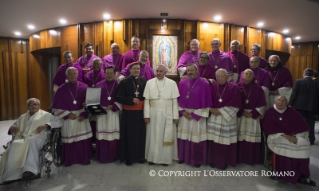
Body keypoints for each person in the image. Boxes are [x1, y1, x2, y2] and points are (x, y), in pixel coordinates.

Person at [0, 98, 62, 183]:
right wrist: (12, 127)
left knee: (32, 141)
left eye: (36, 104)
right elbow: (15, 124)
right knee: (15, 143)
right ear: (27, 107)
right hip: (25, 137)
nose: (34, 106)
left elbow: (59, 122)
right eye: (31, 105)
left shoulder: (47, 115)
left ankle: (32, 171)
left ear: (39, 106)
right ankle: (13, 174)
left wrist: (46, 125)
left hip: (41, 136)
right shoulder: (23, 117)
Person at [261, 96, 316, 186]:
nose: (281, 102)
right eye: (279, 100)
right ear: (275, 101)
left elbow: (302, 127)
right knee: (285, 145)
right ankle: (285, 175)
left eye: (283, 101)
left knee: (303, 143)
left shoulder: (292, 112)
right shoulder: (269, 113)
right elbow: (268, 128)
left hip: (294, 135)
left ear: (287, 103)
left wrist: (297, 137)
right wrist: (287, 136)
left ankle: (302, 174)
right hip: (277, 136)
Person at [52, 67, 93, 166]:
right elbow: (57, 106)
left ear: (78, 75)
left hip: (81, 117)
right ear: (66, 76)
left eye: (74, 74)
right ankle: (70, 160)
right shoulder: (61, 89)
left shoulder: (85, 87)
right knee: (69, 139)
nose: (72, 76)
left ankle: (83, 158)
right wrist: (67, 115)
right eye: (70, 74)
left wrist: (84, 114)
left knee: (82, 139)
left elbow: (90, 103)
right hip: (68, 117)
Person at [144, 64, 180, 165]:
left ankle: (165, 159)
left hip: (167, 113)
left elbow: (174, 101)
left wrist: (175, 116)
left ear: (165, 72)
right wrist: (146, 115)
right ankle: (152, 158)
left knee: (165, 135)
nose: (158, 73)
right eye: (157, 71)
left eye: (161, 71)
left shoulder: (172, 83)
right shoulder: (149, 83)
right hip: (153, 113)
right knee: (153, 135)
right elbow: (147, 101)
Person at [177, 64, 212, 168]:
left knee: (197, 139)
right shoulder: (182, 83)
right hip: (184, 115)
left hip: (197, 115)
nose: (190, 72)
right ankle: (182, 157)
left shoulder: (204, 84)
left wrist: (194, 115)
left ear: (197, 71)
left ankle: (196, 160)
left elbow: (207, 103)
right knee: (184, 137)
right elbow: (177, 100)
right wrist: (182, 111)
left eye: (192, 70)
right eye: (188, 70)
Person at [207, 69, 241, 170]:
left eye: (222, 76)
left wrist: (221, 111)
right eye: (218, 76)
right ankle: (212, 160)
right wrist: (211, 109)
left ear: (227, 77)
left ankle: (223, 162)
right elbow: (207, 99)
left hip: (227, 119)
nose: (220, 79)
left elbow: (236, 103)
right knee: (213, 141)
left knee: (224, 142)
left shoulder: (234, 87)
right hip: (214, 116)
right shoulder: (212, 86)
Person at [115, 63, 147, 166]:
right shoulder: (124, 82)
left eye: (138, 68)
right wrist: (131, 99)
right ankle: (129, 157)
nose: (136, 70)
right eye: (134, 69)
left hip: (141, 113)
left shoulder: (144, 81)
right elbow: (118, 98)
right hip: (129, 114)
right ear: (130, 70)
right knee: (130, 135)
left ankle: (140, 157)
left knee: (141, 135)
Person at [237, 69, 266, 164]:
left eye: (250, 74)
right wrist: (242, 112)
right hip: (240, 116)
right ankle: (239, 158)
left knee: (251, 138)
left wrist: (253, 113)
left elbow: (262, 104)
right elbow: (233, 102)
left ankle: (250, 159)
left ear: (253, 77)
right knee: (239, 137)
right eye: (246, 74)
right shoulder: (237, 87)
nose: (248, 75)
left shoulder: (258, 88)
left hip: (253, 116)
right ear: (242, 76)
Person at [94, 66, 121, 163]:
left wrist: (113, 106)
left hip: (113, 114)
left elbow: (121, 100)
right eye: (107, 73)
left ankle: (113, 156)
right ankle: (103, 156)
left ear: (115, 74)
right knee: (102, 135)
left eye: (111, 73)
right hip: (101, 114)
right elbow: (94, 100)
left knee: (113, 135)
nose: (109, 75)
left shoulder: (119, 85)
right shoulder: (98, 85)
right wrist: (100, 107)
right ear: (104, 74)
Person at [289, 68, 319, 145]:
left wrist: (290, 104)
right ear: (312, 75)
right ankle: (311, 139)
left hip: (299, 106)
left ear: (304, 74)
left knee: (299, 122)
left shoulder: (298, 82)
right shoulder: (316, 83)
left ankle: (299, 138)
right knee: (311, 123)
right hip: (312, 106)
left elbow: (294, 94)